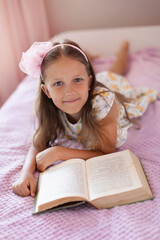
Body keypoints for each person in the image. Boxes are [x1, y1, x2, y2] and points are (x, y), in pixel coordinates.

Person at [12, 40, 158, 197]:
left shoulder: (103, 102)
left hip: (112, 87)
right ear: (46, 91)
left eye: (77, 80)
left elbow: (106, 152)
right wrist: (25, 173)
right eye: (58, 83)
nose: (70, 91)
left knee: (115, 72)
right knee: (104, 74)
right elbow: (37, 144)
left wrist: (59, 152)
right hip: (90, 85)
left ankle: (123, 51)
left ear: (89, 81)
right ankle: (88, 59)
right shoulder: (50, 107)